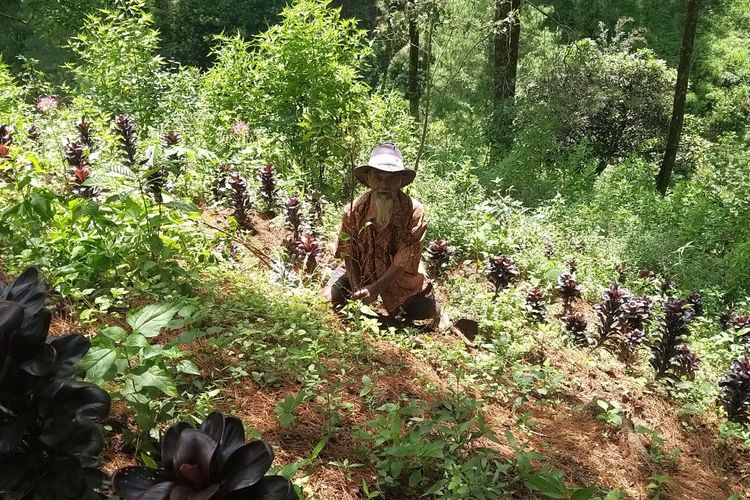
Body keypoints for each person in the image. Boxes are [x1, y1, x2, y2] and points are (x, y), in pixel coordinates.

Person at [322, 142, 441, 326]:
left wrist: (376, 289)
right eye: (378, 177)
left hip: (399, 277)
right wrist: (357, 288)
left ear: (400, 180)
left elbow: (403, 259)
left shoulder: (413, 212)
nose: (384, 185)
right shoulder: (354, 210)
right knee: (329, 299)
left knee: (423, 315)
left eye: (391, 178)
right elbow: (348, 252)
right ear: (369, 178)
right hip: (361, 270)